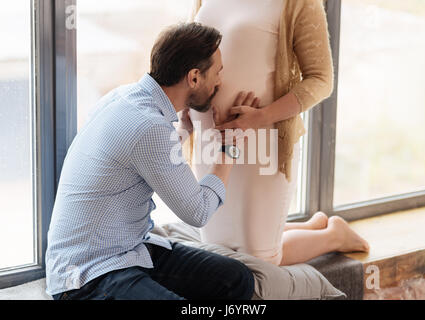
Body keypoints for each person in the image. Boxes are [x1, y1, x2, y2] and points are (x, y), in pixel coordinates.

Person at [45, 22, 255, 300]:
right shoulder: (150, 126)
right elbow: (198, 212)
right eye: (217, 73)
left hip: (129, 249)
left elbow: (144, 155)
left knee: (235, 278)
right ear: (194, 77)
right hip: (88, 274)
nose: (220, 82)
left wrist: (185, 130)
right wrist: (229, 151)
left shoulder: (124, 97)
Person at [186, 0, 370, 266]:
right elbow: (188, 55)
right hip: (208, 139)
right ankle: (311, 227)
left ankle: (333, 236)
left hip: (263, 143)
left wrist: (261, 117)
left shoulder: (299, 3)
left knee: (260, 260)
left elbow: (321, 79)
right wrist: (186, 109)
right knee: (220, 252)